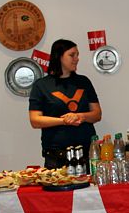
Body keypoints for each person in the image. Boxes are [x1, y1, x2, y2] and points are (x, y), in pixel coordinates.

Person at [29, 39, 102, 168]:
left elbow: (97, 114)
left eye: (77, 55)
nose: (77, 59)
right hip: (56, 157)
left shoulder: (84, 82)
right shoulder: (41, 85)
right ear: (59, 56)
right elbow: (35, 120)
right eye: (72, 55)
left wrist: (80, 116)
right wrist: (64, 120)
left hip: (87, 154)